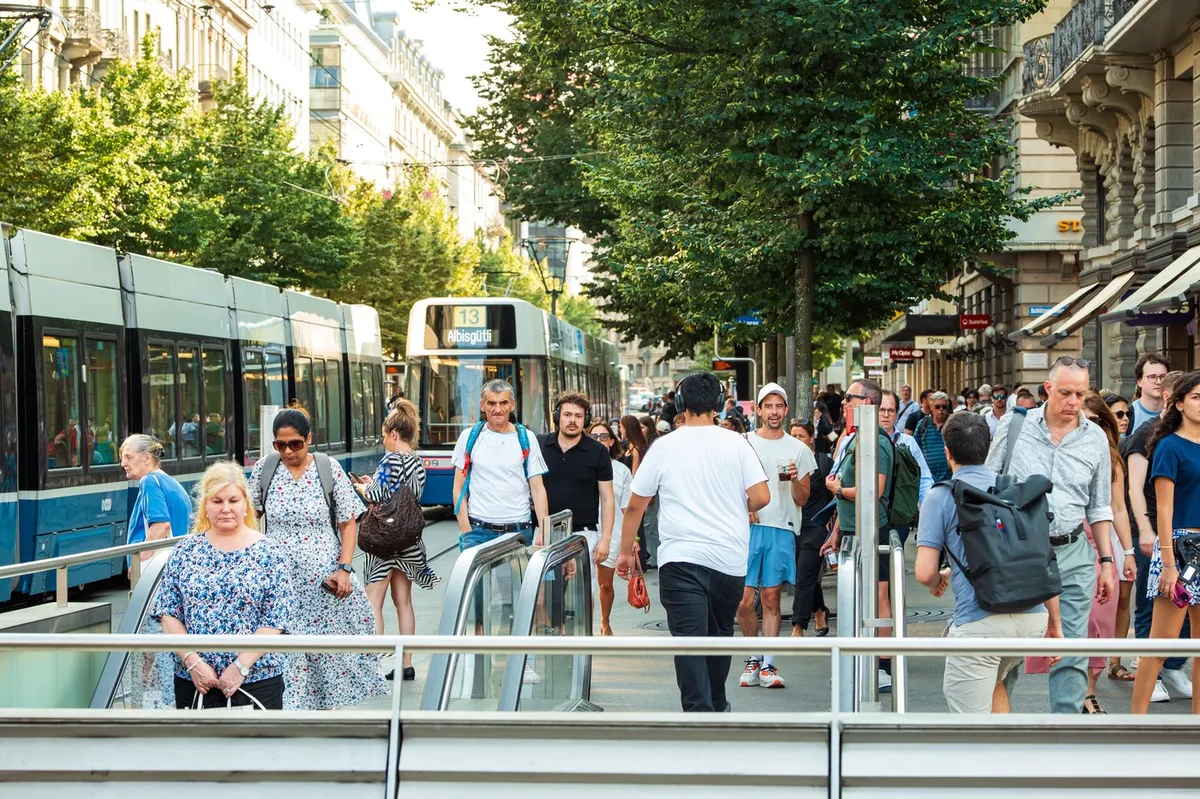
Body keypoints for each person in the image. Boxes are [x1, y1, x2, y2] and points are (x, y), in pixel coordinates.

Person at [616, 372, 769, 712]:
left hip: (680, 559)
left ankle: (699, 714)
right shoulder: (736, 443)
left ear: (680, 405)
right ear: (718, 404)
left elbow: (636, 505)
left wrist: (626, 551)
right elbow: (761, 495)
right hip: (728, 558)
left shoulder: (664, 447)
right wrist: (735, 506)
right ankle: (717, 704)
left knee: (688, 642)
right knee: (718, 637)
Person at [986, 356, 1117, 715]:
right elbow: (985, 486)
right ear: (1048, 389)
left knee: (1072, 650)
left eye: (1080, 393)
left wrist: (1106, 561)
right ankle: (998, 731)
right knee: (1010, 647)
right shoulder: (1015, 429)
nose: (1073, 402)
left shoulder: (1095, 440)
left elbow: (1099, 507)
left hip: (1073, 551)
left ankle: (1066, 737)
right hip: (1019, 553)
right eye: (1065, 393)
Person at [915, 413, 1061, 714]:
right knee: (995, 684)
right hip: (1031, 619)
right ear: (988, 446)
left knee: (969, 724)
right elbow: (1041, 556)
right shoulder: (1014, 490)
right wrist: (1056, 626)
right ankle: (1006, 758)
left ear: (947, 451)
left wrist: (938, 580)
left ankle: (990, 761)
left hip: (980, 622)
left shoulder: (942, 496)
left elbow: (924, 572)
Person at [249, 404, 387, 710]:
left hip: (323, 583)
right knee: (286, 651)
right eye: (280, 445)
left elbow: (348, 522)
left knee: (325, 653)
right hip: (279, 581)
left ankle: (324, 712)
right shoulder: (265, 469)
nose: (287, 452)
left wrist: (345, 569)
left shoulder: (328, 468)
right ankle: (293, 714)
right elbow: (249, 515)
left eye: (294, 444)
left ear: (309, 439)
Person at [153, 461, 296, 710]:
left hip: (257, 681)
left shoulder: (270, 553)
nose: (226, 509)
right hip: (195, 681)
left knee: (256, 750)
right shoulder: (185, 551)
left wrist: (240, 666)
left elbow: (276, 619)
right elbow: (168, 614)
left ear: (245, 506)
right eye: (217, 501)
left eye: (233, 500)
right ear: (205, 507)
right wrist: (193, 662)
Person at [819, 378, 895, 692]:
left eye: (849, 398)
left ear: (866, 403)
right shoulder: (855, 438)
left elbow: (871, 491)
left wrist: (838, 489)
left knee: (877, 598)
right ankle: (861, 660)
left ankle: (884, 666)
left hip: (873, 529)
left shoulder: (875, 441)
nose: (844, 403)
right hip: (852, 528)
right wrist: (836, 530)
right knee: (860, 597)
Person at [737, 383, 816, 689]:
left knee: (770, 598)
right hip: (747, 529)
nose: (773, 411)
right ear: (758, 410)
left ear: (786, 410)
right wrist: (745, 507)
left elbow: (802, 499)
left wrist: (796, 480)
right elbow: (732, 485)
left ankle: (768, 663)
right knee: (743, 601)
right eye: (767, 406)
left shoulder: (798, 449)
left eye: (778, 406)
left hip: (781, 527)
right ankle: (752, 656)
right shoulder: (743, 443)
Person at [1131, 370, 1200, 714]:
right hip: (1179, 546)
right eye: (1197, 397)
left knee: (1199, 647)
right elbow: (1165, 510)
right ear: (1180, 403)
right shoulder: (1169, 446)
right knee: (1161, 642)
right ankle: (1135, 721)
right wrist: (1169, 565)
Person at [358, 400, 439, 682]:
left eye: (384, 435)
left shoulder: (389, 460)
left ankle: (372, 664)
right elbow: (410, 495)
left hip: (383, 541)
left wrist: (363, 486)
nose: (384, 441)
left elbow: (377, 495)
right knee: (403, 602)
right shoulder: (417, 462)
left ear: (394, 434)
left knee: (374, 602)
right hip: (408, 540)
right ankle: (406, 663)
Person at [1076, 391, 1137, 713]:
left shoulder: (1113, 459)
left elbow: (1119, 509)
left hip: (1103, 546)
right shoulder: (1065, 454)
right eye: (1084, 420)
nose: (1091, 426)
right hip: (1070, 544)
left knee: (1100, 619)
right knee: (1076, 622)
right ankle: (1072, 687)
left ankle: (1088, 691)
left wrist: (1127, 552)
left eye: (1098, 420)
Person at [452, 379, 550, 549]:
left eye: (503, 403)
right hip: (477, 532)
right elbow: (459, 488)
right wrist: (466, 529)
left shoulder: (527, 438)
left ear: (512, 405)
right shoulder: (468, 437)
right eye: (491, 403)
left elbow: (538, 488)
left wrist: (543, 530)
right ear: (482, 405)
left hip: (517, 532)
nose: (497, 409)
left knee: (515, 578)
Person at [538, 391, 615, 575]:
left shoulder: (598, 452)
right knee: (542, 597)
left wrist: (605, 539)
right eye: (567, 415)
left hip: (583, 534)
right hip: (544, 533)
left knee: (583, 598)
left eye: (578, 416)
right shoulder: (540, 445)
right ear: (557, 416)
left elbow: (607, 499)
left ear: (585, 419)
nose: (573, 420)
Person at [588, 419, 632, 635]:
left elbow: (627, 510)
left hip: (612, 533)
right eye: (594, 437)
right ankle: (587, 629)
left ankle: (605, 623)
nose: (598, 441)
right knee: (586, 587)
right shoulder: (582, 465)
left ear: (612, 441)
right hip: (585, 531)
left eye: (603, 437)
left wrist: (632, 542)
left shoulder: (621, 470)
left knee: (605, 584)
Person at [789, 420, 832, 637]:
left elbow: (835, 496)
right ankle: (819, 610)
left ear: (811, 438)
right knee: (802, 573)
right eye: (793, 436)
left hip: (816, 526)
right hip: (791, 525)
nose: (797, 440)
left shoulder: (823, 462)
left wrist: (833, 526)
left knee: (804, 576)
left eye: (801, 436)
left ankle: (798, 626)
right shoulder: (786, 463)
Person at [121, 434, 192, 565]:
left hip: (155, 565)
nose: (123, 463)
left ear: (147, 458)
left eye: (128, 457)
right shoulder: (172, 483)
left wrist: (139, 561)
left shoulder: (149, 482)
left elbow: (161, 525)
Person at [879, 390, 934, 543]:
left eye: (891, 410)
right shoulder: (857, 441)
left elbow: (923, 478)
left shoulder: (908, 442)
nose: (886, 415)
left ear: (896, 413)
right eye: (881, 410)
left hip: (900, 516)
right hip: (869, 518)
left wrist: (930, 510)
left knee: (895, 559)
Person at [914, 391, 952, 482]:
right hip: (928, 478)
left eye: (944, 406)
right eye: (938, 406)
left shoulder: (953, 423)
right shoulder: (923, 424)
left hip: (950, 477)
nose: (941, 409)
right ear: (931, 407)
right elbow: (915, 449)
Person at [1130, 353, 1170, 434]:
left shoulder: (1177, 413)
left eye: (1163, 377)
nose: (1159, 382)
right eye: (1152, 377)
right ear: (1139, 381)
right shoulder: (1129, 415)